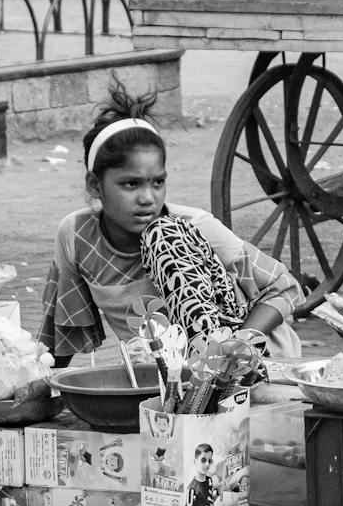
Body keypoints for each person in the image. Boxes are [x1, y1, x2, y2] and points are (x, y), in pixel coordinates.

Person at [41, 81, 301, 363]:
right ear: (94, 185)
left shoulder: (192, 227)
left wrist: (240, 343)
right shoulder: (76, 236)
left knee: (163, 235)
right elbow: (60, 334)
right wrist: (42, 387)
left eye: (158, 183)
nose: (147, 198)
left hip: (256, 362)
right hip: (169, 376)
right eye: (131, 184)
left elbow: (284, 287)